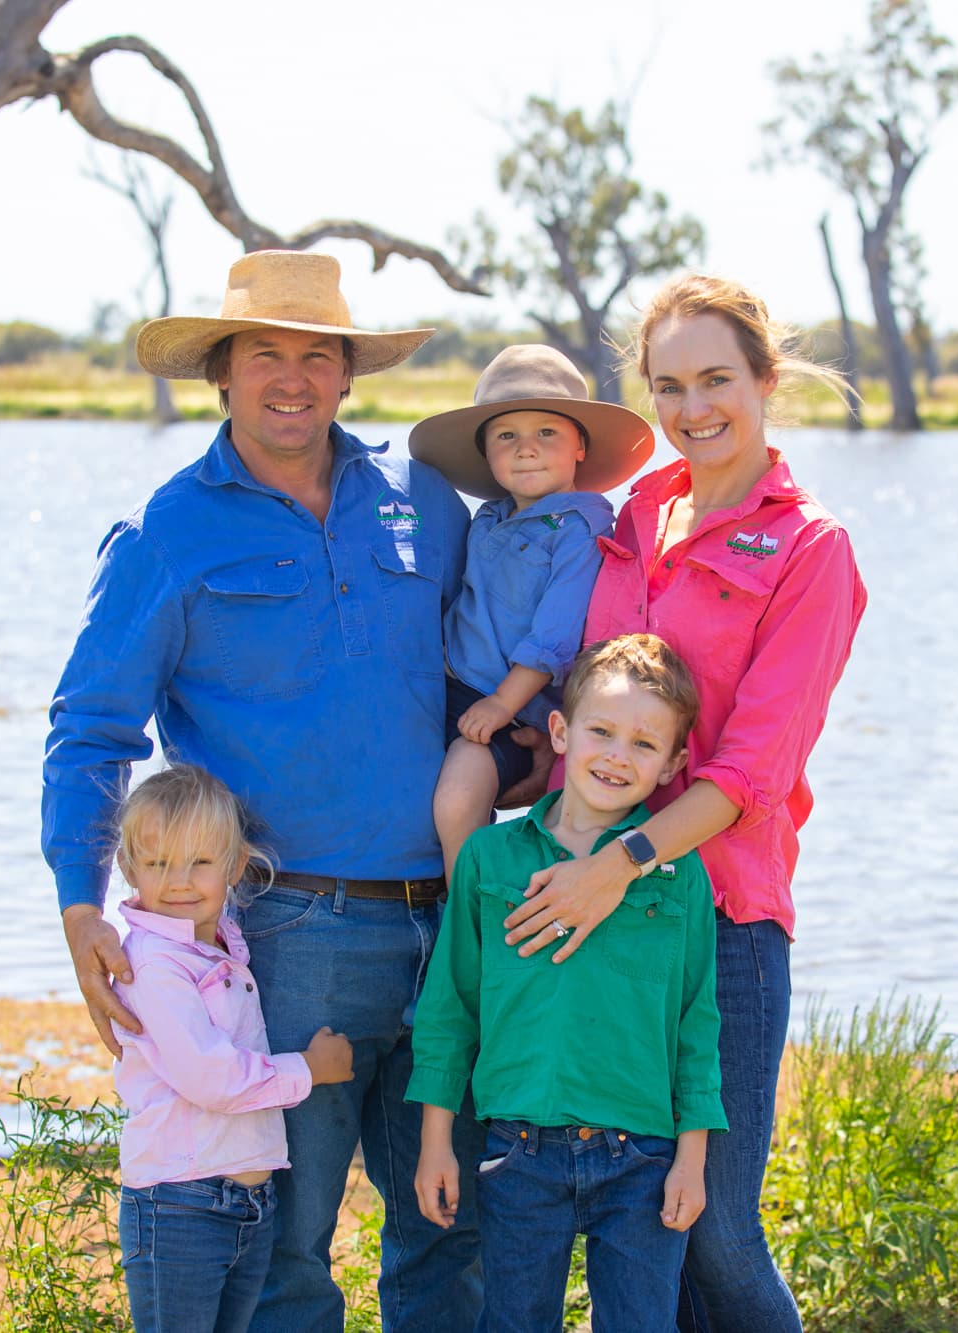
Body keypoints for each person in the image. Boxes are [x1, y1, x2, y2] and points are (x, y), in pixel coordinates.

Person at [42, 249, 481, 1332]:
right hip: (285, 932)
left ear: (345, 374)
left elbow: (494, 682)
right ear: (222, 376)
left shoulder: (424, 500)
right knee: (286, 1239)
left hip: (455, 921)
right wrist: (78, 899)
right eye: (265, 356)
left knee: (453, 1221)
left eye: (316, 356)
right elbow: (92, 727)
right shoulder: (170, 530)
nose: (292, 378)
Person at [500, 275, 868, 1332]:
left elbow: (749, 775)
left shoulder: (811, 551)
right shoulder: (628, 515)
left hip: (716, 920)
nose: (692, 407)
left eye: (715, 379)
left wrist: (608, 869)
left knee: (712, 1224)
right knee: (639, 1220)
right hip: (593, 916)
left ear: (764, 379)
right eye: (667, 386)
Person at [406, 633, 725, 1333]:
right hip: (519, 1150)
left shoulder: (679, 873)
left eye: (645, 744)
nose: (617, 755)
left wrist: (691, 1158)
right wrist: (435, 1140)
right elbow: (450, 1008)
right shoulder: (491, 858)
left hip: (642, 1155)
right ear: (560, 730)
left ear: (674, 761)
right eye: (602, 731)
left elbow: (696, 1021)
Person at [109, 765, 356, 1333]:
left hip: (245, 1204)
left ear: (235, 867)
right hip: (180, 1204)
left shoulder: (221, 948)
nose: (178, 882)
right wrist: (308, 1071)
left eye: (199, 862)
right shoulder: (153, 965)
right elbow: (210, 1078)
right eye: (157, 864)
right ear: (129, 869)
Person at [407, 344, 653, 881]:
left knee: (457, 799)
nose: (526, 449)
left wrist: (501, 703)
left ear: (580, 446)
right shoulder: (486, 519)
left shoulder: (579, 531)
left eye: (547, 433)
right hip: (446, 688)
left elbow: (554, 638)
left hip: (509, 708)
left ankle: (461, 911)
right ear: (487, 456)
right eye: (506, 437)